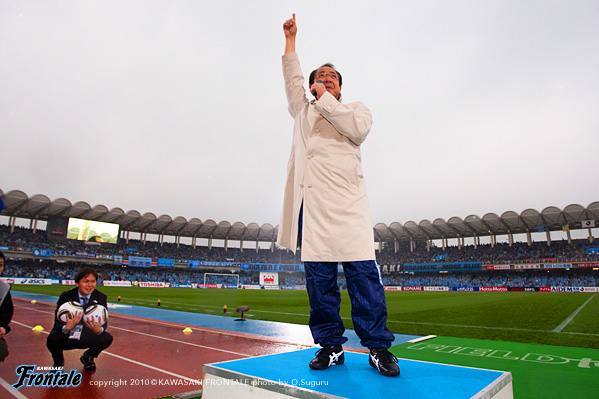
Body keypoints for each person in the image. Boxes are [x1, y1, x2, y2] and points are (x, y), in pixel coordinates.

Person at [277, 14, 399, 377]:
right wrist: (291, 42)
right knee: (320, 289)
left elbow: (358, 131)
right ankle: (331, 347)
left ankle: (378, 348)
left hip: (348, 210)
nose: (325, 80)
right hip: (313, 211)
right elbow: (292, 80)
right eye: (319, 77)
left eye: (331, 77)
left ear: (340, 89)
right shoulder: (302, 112)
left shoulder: (354, 110)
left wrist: (326, 100)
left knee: (365, 284)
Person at [46, 267, 113, 370]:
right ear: (77, 283)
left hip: (88, 335)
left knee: (107, 338)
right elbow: (57, 322)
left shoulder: (101, 297)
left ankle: (88, 357)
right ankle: (58, 361)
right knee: (52, 338)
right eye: (86, 281)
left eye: (93, 281)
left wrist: (100, 330)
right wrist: (66, 328)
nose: (90, 285)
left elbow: (104, 320)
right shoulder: (66, 296)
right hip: (68, 336)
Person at [0, 251, 14, 362]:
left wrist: (2, 327)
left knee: (1, 350)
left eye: (0, 265)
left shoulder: (4, 288)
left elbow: (6, 313)